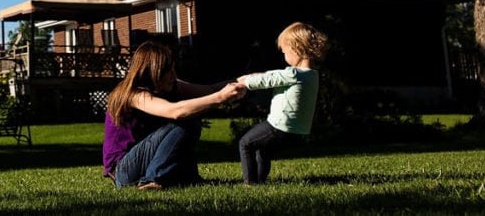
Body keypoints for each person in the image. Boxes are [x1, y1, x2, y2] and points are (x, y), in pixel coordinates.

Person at [103, 37, 246, 190]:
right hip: (123, 171)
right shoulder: (133, 94)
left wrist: (244, 81)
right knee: (186, 120)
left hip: (142, 162)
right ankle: (153, 179)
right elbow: (175, 111)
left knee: (189, 118)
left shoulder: (168, 85)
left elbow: (209, 90)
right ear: (153, 72)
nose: (173, 75)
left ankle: (186, 178)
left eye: (173, 68)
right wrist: (220, 98)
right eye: (168, 71)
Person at [237, 21, 331, 185]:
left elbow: (269, 79)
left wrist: (246, 81)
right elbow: (275, 75)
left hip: (278, 126)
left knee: (245, 144)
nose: (284, 56)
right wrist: (257, 76)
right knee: (263, 152)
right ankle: (259, 181)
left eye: (285, 52)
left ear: (297, 49)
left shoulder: (294, 74)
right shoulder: (312, 75)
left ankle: (249, 184)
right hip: (296, 130)